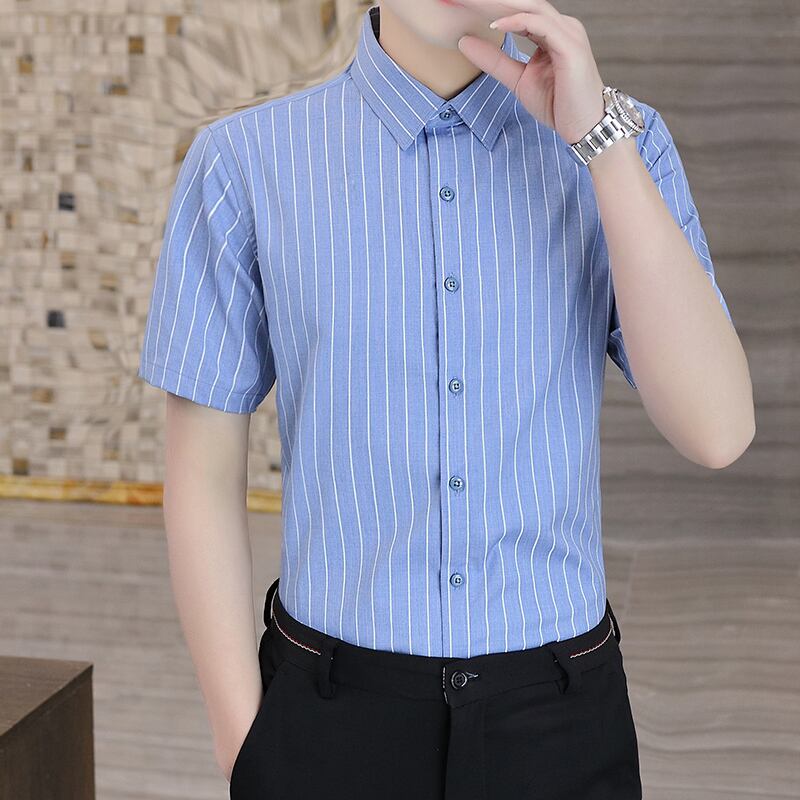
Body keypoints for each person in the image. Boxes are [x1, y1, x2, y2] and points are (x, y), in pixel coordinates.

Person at [137, 1, 755, 798]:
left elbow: (717, 430)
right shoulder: (245, 161)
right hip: (327, 717)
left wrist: (601, 148)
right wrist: (246, 745)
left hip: (560, 719)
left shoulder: (625, 142)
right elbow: (201, 475)